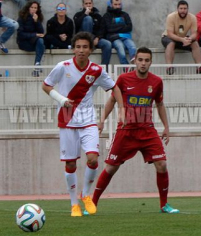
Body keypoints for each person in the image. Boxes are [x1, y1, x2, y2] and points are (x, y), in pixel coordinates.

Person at [41, 31, 124, 217]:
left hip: (88, 122)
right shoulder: (63, 67)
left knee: (93, 159)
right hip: (67, 121)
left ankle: (86, 195)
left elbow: (114, 88)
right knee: (70, 164)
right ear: (74, 48)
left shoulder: (96, 70)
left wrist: (122, 110)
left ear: (90, 50)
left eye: (85, 47)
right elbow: (46, 85)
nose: (81, 50)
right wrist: (61, 99)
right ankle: (73, 204)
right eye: (78, 47)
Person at [92, 47, 180, 214]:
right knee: (111, 168)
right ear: (135, 61)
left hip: (147, 131)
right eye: (140, 60)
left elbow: (160, 104)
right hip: (126, 131)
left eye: (147, 60)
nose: (143, 63)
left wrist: (166, 127)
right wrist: (102, 120)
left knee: (161, 165)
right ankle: (93, 203)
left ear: (151, 62)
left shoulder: (156, 82)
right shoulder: (124, 79)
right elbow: (112, 101)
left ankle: (164, 205)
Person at [162, 0, 201, 75]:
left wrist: (189, 39)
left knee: (195, 43)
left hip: (183, 38)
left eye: (185, 9)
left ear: (187, 9)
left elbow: (194, 33)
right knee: (171, 43)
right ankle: (169, 67)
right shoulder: (171, 17)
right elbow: (170, 34)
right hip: (168, 37)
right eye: (181, 8)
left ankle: (199, 67)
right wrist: (182, 40)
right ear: (177, 9)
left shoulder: (192, 17)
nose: (183, 11)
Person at [73, 0, 112, 66]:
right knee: (88, 18)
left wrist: (97, 38)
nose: (88, 5)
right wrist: (85, 14)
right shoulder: (78, 15)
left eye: (90, 3)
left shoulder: (98, 16)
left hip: (95, 39)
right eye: (86, 3)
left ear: (92, 4)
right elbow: (76, 25)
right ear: (83, 5)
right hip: (83, 39)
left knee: (108, 44)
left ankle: (104, 68)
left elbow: (102, 29)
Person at [100, 0, 136, 65]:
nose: (118, 6)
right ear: (111, 4)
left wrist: (115, 28)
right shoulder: (107, 16)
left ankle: (134, 64)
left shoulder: (125, 14)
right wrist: (122, 25)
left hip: (126, 37)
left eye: (119, 4)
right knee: (120, 49)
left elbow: (129, 27)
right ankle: (126, 68)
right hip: (114, 38)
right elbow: (109, 29)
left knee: (132, 47)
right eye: (115, 4)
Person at [16, 0, 44, 76]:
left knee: (41, 41)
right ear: (28, 8)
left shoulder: (38, 17)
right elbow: (20, 34)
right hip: (24, 43)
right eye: (32, 7)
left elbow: (41, 33)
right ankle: (38, 65)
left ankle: (37, 65)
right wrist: (35, 35)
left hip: (34, 42)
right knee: (40, 43)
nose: (34, 9)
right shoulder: (22, 17)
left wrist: (37, 21)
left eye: (35, 8)